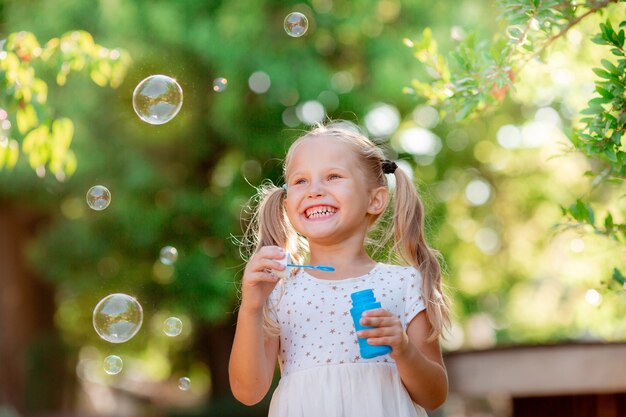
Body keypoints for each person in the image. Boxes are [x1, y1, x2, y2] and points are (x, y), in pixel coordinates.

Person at [229, 121, 450, 417]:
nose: (315, 191)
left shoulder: (404, 283)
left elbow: (434, 395)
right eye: (300, 181)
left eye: (333, 176)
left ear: (375, 199)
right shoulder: (278, 292)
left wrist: (404, 349)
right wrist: (252, 307)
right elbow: (248, 392)